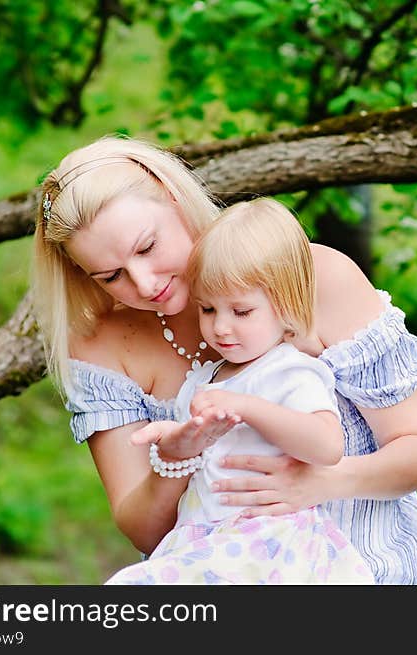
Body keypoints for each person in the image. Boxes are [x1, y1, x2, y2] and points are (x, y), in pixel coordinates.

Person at [31, 134, 417, 585]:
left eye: (147, 247)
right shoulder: (101, 348)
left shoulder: (313, 279)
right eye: (112, 276)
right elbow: (145, 533)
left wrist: (319, 483)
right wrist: (175, 461)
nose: (145, 284)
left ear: (174, 199)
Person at [104, 197, 374, 584]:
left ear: (286, 305)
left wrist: (248, 407)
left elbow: (327, 445)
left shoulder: (288, 370)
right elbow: (203, 452)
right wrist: (177, 439)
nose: (221, 328)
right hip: (208, 536)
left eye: (241, 311)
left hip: (267, 540)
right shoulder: (204, 381)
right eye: (208, 310)